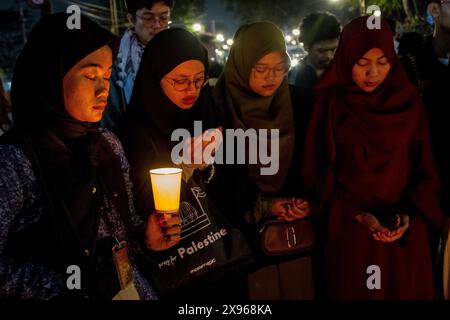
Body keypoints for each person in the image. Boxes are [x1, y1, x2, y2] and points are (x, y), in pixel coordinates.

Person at [0, 13, 166, 300]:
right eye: (90, 76)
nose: (103, 89)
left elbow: (119, 233)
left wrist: (145, 238)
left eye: (108, 75)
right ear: (50, 75)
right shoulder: (15, 162)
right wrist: (63, 287)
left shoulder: (108, 145)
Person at [302, 16, 447, 299]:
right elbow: (318, 176)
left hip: (405, 238)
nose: (373, 73)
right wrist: (358, 215)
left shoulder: (410, 105)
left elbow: (427, 171)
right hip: (352, 236)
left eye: (382, 62)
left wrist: (408, 214)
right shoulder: (331, 105)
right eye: (362, 63)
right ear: (346, 60)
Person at [123, 28, 246, 300]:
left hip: (223, 261)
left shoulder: (208, 112)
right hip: (175, 273)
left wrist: (208, 167)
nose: (191, 89)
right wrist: (183, 167)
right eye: (179, 81)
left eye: (198, 79)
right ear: (155, 78)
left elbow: (233, 188)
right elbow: (138, 206)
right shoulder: (135, 133)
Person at [211, 21, 314, 300]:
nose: (272, 77)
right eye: (261, 69)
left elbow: (315, 162)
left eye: (280, 69)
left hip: (295, 236)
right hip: (241, 243)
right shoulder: (216, 107)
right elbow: (215, 183)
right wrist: (264, 206)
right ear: (242, 64)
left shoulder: (299, 102)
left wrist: (305, 202)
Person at [102, 0, 174, 135]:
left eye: (164, 18)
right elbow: (111, 116)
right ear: (131, 19)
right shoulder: (117, 60)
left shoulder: (181, 52)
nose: (157, 25)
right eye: (148, 18)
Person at [288, 12, 341, 89]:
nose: (329, 56)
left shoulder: (346, 74)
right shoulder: (293, 79)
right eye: (322, 51)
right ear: (306, 47)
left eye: (333, 49)